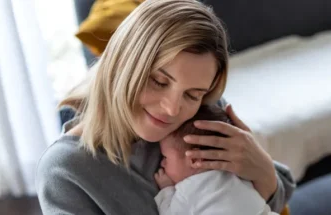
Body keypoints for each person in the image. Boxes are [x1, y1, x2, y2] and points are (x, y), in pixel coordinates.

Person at [36, 0, 295, 214]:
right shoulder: (66, 171)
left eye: (192, 94)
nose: (172, 109)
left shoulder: (201, 115)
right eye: (159, 81)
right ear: (123, 62)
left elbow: (276, 197)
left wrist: (261, 167)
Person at [154, 105, 278, 215]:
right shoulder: (235, 170)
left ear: (194, 159)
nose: (162, 163)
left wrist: (167, 189)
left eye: (165, 157)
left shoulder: (187, 191)